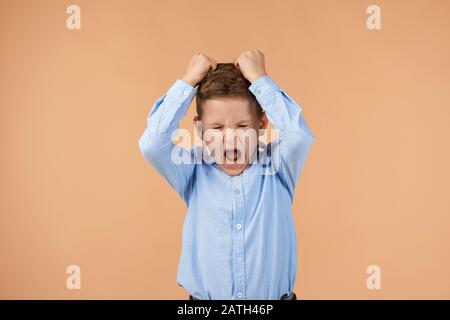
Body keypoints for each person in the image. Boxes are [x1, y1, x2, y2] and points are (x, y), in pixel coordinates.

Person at [138, 50, 315, 300]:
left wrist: (260, 78)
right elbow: (152, 143)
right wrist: (188, 81)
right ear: (199, 128)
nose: (230, 137)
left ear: (261, 125)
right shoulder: (191, 168)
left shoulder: (278, 165)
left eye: (242, 126)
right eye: (217, 127)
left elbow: (298, 135)